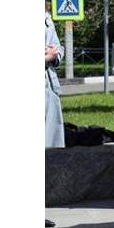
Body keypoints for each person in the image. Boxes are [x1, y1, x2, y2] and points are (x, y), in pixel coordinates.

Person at [45, 10, 65, 149]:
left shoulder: (45, 16)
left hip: (48, 84)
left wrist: (54, 54)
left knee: (52, 143)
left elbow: (57, 47)